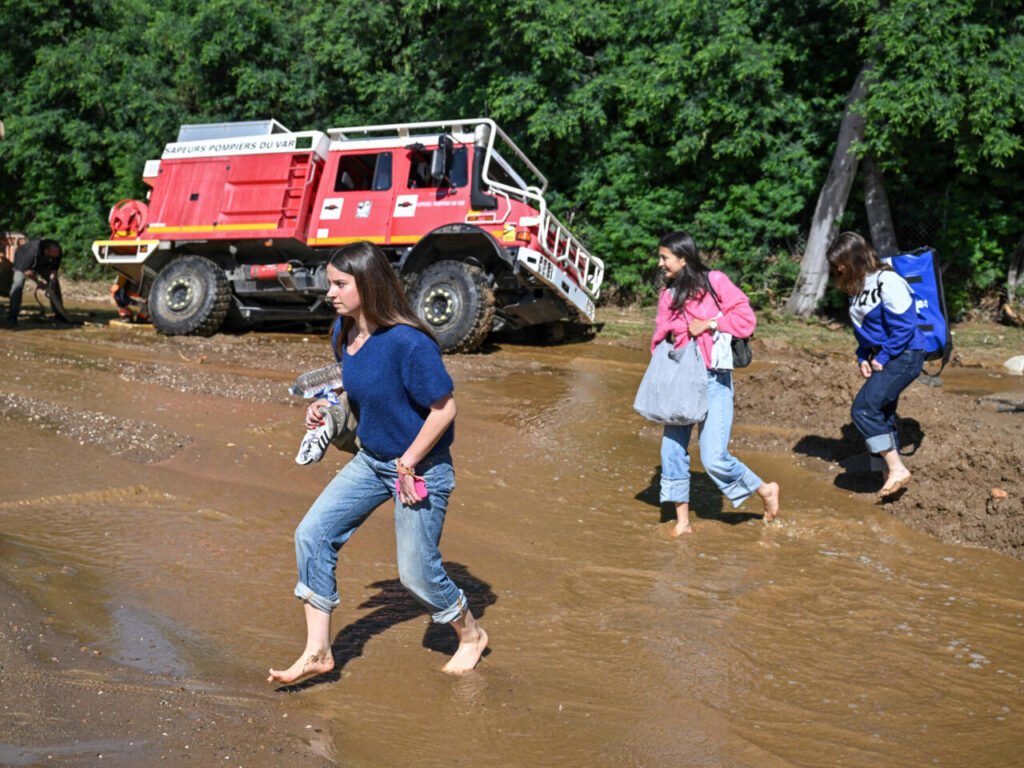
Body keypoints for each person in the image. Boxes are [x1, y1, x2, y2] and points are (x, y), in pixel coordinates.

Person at [268, 241, 487, 685]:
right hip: (372, 462)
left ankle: (471, 635)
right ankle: (318, 652)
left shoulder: (409, 343)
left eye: (339, 284)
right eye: (330, 283)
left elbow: (444, 410)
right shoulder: (343, 332)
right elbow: (359, 388)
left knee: (417, 576)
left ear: (368, 285)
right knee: (312, 535)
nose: (330, 292)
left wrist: (407, 462)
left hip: (421, 470)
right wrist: (328, 409)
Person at [650, 231, 780, 536]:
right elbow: (657, 341)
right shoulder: (667, 297)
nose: (660, 264)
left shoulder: (716, 282)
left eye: (664, 258)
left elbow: (746, 321)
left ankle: (765, 489)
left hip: (715, 380)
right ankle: (683, 523)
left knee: (714, 458)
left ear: (683, 259)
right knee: (671, 450)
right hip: (680, 382)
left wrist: (710, 324)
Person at [827, 231, 925, 499]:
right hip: (886, 355)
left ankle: (896, 469)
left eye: (841, 263)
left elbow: (906, 326)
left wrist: (882, 357)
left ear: (855, 257)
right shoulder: (858, 286)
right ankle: (884, 476)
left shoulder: (887, 280)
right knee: (881, 410)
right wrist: (863, 356)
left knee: (864, 409)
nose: (837, 269)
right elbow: (866, 331)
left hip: (905, 354)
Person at [6, 238, 72, 326]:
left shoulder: (57, 251)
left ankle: (59, 314)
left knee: (55, 284)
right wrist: (38, 282)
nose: (57, 254)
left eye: (57, 252)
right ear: (46, 251)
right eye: (54, 253)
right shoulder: (30, 252)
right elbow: (26, 271)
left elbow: (54, 268)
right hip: (23, 262)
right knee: (17, 285)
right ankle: (12, 316)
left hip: (42, 264)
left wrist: (52, 280)